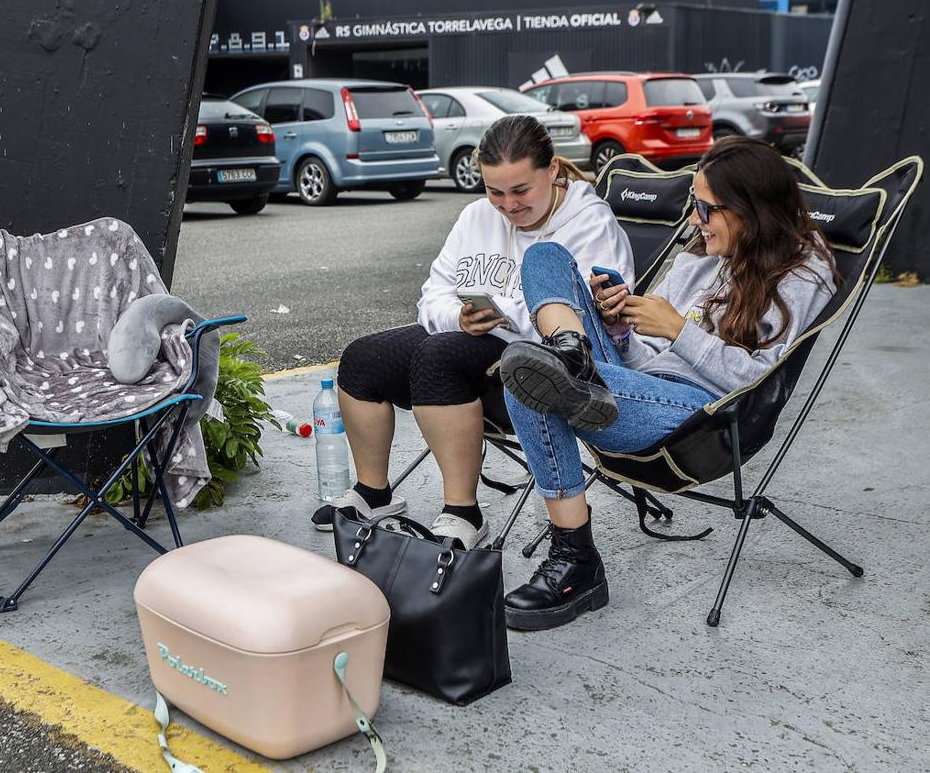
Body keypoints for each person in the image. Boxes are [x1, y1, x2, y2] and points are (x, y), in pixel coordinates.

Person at [497, 136, 839, 631]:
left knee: (528, 379)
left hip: (703, 412)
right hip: (633, 383)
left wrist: (678, 328)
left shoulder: (804, 273)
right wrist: (619, 325)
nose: (694, 218)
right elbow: (646, 357)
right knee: (545, 258)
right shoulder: (698, 258)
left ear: (752, 210)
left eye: (706, 207)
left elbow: (759, 379)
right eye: (693, 204)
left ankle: (576, 558)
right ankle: (572, 354)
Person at [312, 114, 634, 550]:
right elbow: (431, 296)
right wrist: (459, 318)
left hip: (538, 365)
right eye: (494, 190)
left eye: (521, 190)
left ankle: (463, 510)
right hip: (469, 339)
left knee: (439, 356)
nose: (508, 205)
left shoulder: (589, 222)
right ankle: (373, 491)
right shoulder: (476, 216)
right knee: (364, 357)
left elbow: (589, 325)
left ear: (553, 169)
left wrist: (505, 319)